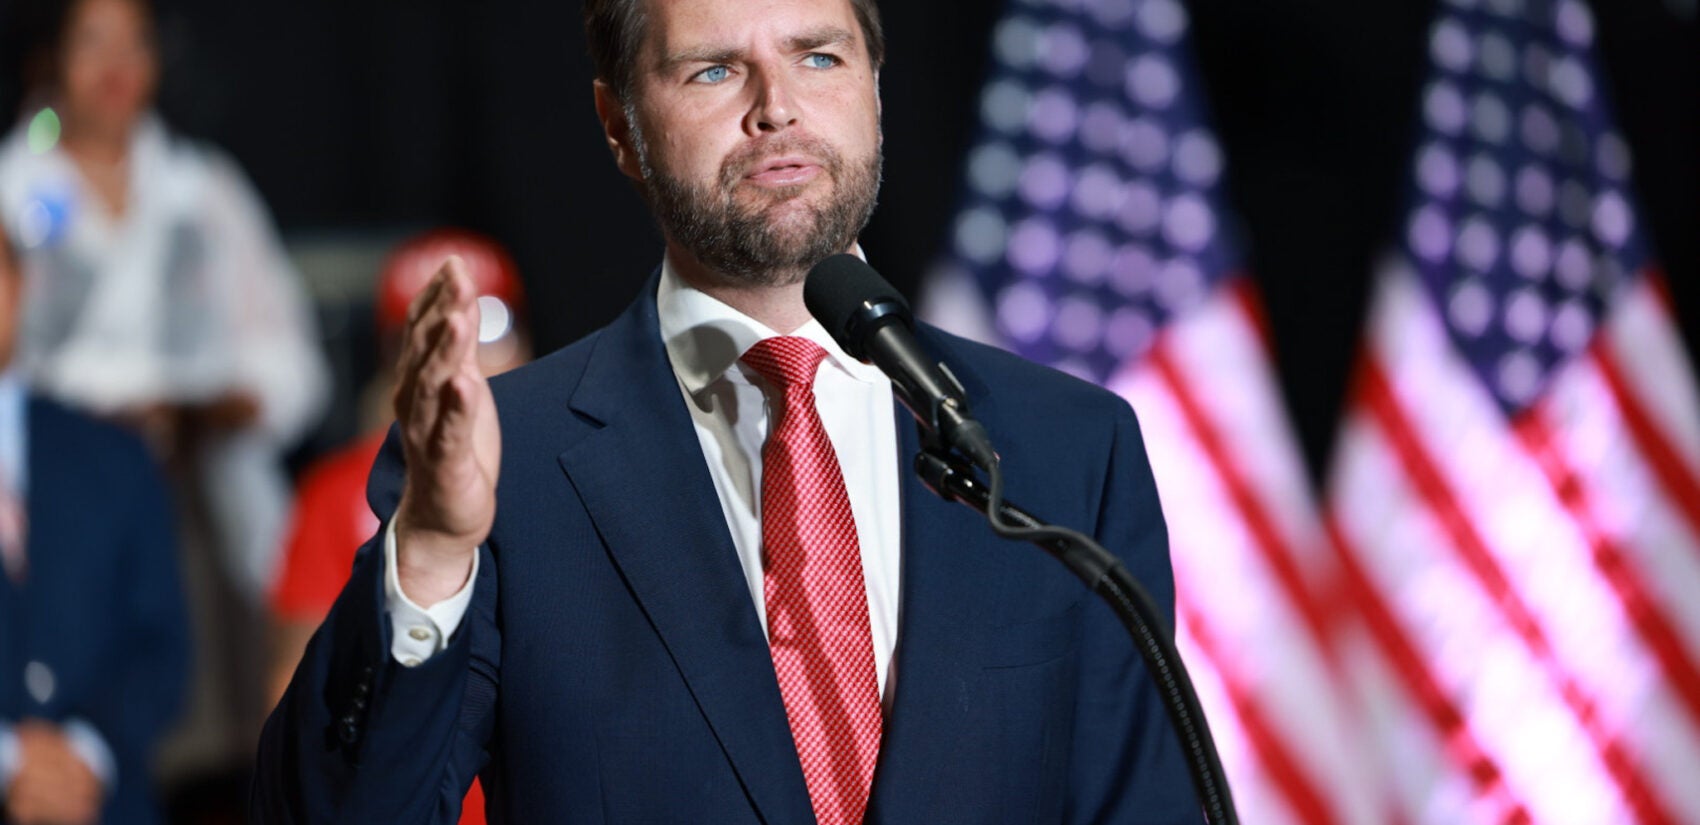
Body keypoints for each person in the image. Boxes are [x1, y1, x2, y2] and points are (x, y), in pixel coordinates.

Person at [255, 0, 1191, 821]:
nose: (776, 107)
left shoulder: (1070, 448)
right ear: (617, 124)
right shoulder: (510, 466)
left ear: (875, 87)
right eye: (713, 69)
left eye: (818, 56)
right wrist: (428, 552)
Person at [0, 0, 330, 793]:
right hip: (51, 497)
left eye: (134, 42)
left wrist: (201, 411)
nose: (115, 65)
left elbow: (293, 364)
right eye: (92, 42)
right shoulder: (17, 189)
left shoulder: (202, 189)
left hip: (201, 491)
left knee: (238, 734)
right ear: (51, 59)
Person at [266, 228, 531, 825]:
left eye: (488, 325)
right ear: (398, 364)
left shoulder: (570, 467)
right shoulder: (337, 492)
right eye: (434, 337)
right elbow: (291, 695)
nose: (467, 358)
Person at [0, 220, 189, 825]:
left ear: (19, 284)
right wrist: (8, 765)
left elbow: (164, 643)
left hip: (109, 803)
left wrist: (86, 753)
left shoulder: (115, 455)